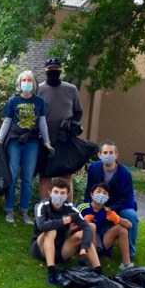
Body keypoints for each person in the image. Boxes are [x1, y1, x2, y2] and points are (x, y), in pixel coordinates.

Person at [0, 70, 52, 225]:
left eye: (29, 80)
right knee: (12, 176)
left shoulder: (39, 102)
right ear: (19, 83)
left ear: (33, 83)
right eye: (24, 80)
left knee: (27, 178)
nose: (26, 83)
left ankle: (25, 212)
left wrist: (46, 141)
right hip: (14, 141)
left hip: (31, 143)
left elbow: (43, 123)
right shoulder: (13, 101)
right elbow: (6, 121)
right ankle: (9, 210)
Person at [30, 177, 105, 286]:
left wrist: (83, 247)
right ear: (49, 192)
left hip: (60, 250)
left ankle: (99, 272)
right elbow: (41, 225)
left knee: (84, 233)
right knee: (51, 231)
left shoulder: (71, 209)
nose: (59, 195)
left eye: (62, 193)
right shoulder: (42, 205)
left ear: (67, 194)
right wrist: (63, 221)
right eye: (56, 192)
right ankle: (51, 273)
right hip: (40, 249)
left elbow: (87, 227)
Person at [37, 57, 84, 202]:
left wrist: (71, 126)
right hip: (45, 141)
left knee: (66, 176)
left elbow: (78, 112)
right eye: (50, 70)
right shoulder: (39, 89)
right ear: (45, 71)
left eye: (56, 70)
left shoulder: (71, 89)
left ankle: (68, 210)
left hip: (65, 141)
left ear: (60, 70)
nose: (53, 72)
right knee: (45, 176)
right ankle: (44, 209)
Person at [83, 141, 140, 260]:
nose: (107, 155)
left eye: (110, 153)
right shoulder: (93, 168)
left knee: (131, 215)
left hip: (120, 205)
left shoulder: (125, 173)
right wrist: (89, 207)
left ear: (116, 155)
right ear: (99, 155)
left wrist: (109, 210)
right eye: (105, 152)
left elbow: (126, 198)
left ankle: (130, 252)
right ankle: (88, 246)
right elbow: (89, 190)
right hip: (97, 204)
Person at [77, 182, 134, 269]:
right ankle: (92, 262)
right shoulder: (82, 208)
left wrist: (118, 219)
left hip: (102, 241)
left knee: (122, 229)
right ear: (92, 194)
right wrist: (83, 223)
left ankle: (126, 264)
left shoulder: (107, 211)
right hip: (85, 243)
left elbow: (129, 225)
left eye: (105, 193)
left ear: (107, 198)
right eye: (98, 192)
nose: (101, 195)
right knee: (91, 227)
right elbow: (70, 229)